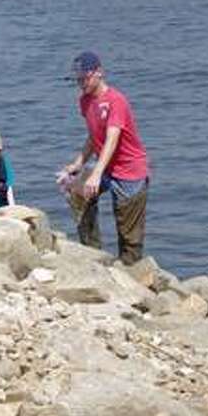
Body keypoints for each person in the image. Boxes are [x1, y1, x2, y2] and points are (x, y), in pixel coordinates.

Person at [56, 52, 150, 265]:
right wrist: (78, 162)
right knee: (76, 192)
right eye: (77, 79)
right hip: (106, 168)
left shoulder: (116, 101)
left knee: (128, 236)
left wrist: (96, 174)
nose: (81, 84)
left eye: (85, 79)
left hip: (129, 173)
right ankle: (92, 255)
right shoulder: (85, 101)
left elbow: (112, 138)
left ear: (99, 73)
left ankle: (131, 273)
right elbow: (94, 134)